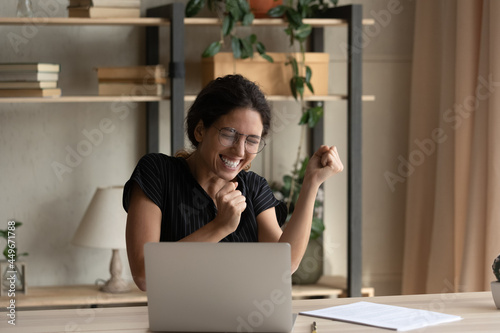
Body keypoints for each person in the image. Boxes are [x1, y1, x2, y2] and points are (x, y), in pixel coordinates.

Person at [123, 74, 343, 291]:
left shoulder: (254, 188)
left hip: (249, 322)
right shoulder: (158, 172)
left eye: (251, 141)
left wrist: (311, 182)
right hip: (179, 324)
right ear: (200, 131)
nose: (239, 151)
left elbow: (284, 265)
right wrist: (220, 226)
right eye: (229, 134)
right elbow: (143, 275)